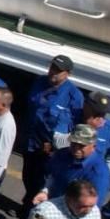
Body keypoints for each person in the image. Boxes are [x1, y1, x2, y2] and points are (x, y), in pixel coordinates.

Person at [21, 55, 85, 201]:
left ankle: (33, 209)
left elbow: (75, 129)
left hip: (50, 147)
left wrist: (56, 147)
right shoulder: (39, 82)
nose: (53, 72)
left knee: (44, 181)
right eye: (52, 68)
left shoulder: (74, 96)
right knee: (28, 174)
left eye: (58, 71)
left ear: (67, 74)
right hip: (31, 139)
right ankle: (29, 199)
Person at [35, 125, 110, 206]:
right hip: (49, 205)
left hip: (72, 214)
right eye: (74, 143)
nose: (76, 148)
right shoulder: (61, 154)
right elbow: (50, 175)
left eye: (82, 145)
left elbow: (93, 206)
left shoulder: (99, 173)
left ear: (93, 146)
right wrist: (45, 191)